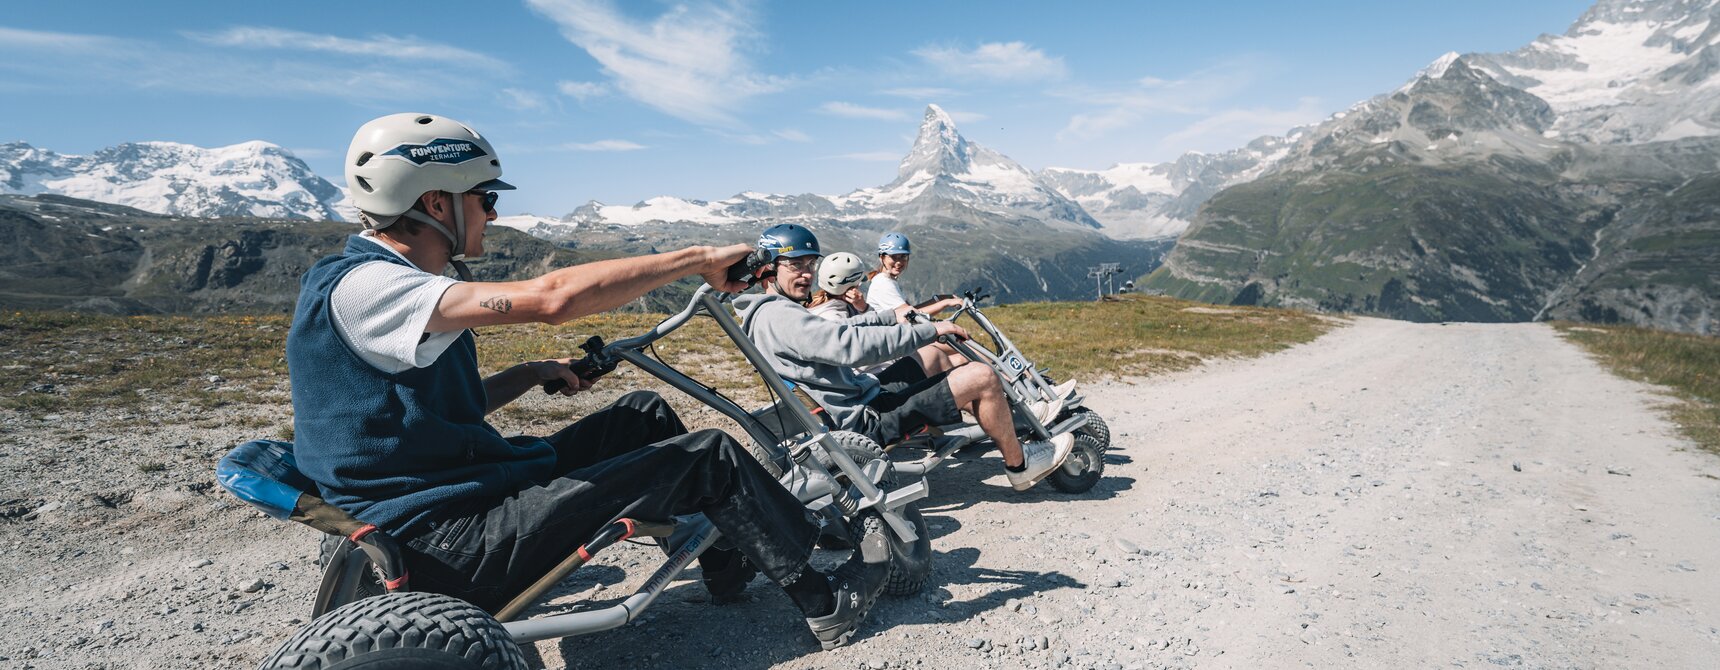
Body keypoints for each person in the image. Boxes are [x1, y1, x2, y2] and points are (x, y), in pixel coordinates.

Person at [288, 113, 885, 650]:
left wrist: (532, 373)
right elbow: (553, 299)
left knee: (642, 414)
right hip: (441, 543)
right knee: (710, 454)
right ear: (436, 203)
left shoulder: (379, 283)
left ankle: (728, 564)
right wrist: (698, 257)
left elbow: (434, 410)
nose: (494, 214)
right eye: (486, 197)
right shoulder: (369, 287)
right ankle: (826, 597)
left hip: (450, 501)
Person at [733, 224, 1074, 491]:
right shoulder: (781, 317)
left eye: (810, 264)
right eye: (796, 265)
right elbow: (847, 345)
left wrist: (888, 316)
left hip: (858, 396)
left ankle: (999, 421)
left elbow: (843, 331)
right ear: (768, 269)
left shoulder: (771, 311)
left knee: (933, 357)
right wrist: (929, 329)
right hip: (863, 419)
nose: (806, 273)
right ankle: (1020, 466)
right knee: (982, 376)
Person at [809, 252, 964, 377]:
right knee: (934, 356)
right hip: (870, 379)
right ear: (849, 286)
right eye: (858, 283)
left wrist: (863, 307)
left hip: (876, 369)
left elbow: (874, 325)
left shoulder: (840, 305)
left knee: (957, 359)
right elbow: (867, 343)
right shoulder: (833, 316)